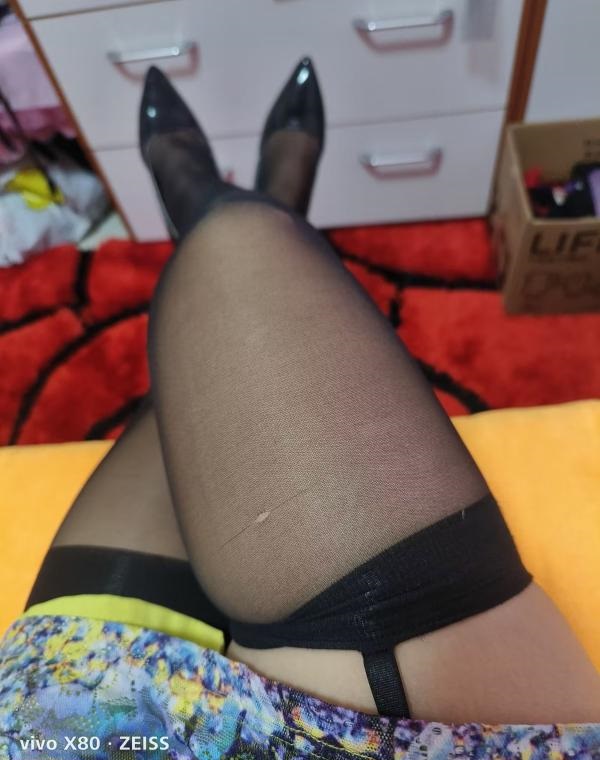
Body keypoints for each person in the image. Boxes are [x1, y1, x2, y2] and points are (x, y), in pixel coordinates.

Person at [1, 59, 598, 759]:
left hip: (77, 715)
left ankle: (210, 206)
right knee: (231, 280)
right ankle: (249, 205)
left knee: (208, 350)